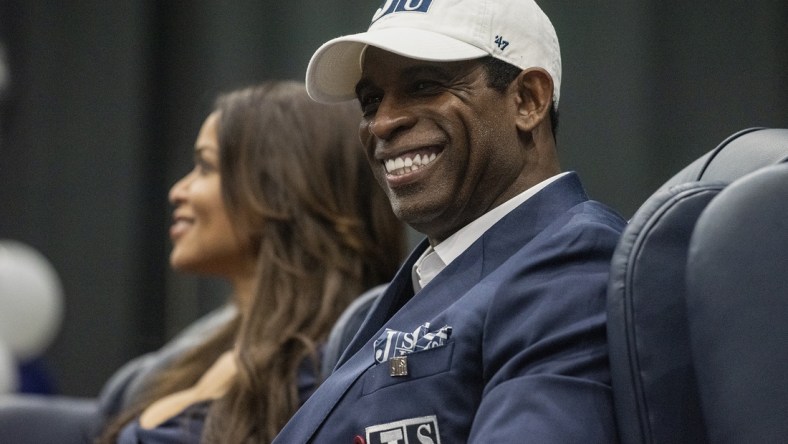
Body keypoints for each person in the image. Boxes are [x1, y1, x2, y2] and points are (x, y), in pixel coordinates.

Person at [273, 0, 627, 442]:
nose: (383, 122)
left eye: (423, 85)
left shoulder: (574, 266)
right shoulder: (431, 277)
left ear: (528, 100)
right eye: (371, 101)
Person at [97, 81, 406, 443]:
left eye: (205, 167)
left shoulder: (322, 375)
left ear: (278, 190)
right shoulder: (205, 350)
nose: (177, 191)